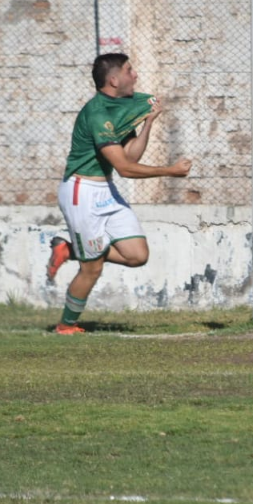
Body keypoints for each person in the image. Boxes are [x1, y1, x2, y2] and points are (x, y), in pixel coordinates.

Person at [44, 53, 192, 334]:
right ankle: (66, 325)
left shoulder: (119, 109)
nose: (135, 75)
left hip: (104, 189)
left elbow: (130, 153)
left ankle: (70, 249)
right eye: (129, 70)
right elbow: (124, 168)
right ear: (113, 80)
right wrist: (170, 171)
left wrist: (147, 124)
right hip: (81, 192)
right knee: (93, 268)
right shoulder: (99, 114)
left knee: (137, 255)